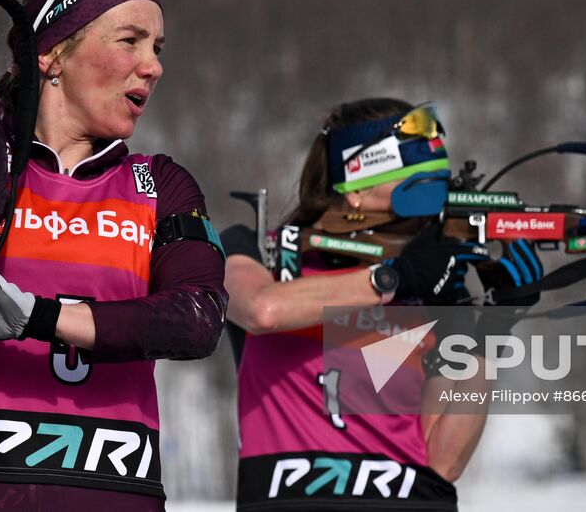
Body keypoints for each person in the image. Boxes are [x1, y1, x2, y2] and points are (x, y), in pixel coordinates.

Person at [0, 0, 227, 510]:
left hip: (114, 488)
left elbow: (198, 321)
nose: (153, 66)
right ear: (51, 54)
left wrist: (40, 318)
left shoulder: (160, 183)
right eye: (130, 40)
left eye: (157, 48)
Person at [221, 98, 543, 511]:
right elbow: (262, 309)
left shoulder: (434, 282)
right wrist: (394, 277)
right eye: (420, 188)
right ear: (357, 188)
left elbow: (443, 459)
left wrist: (494, 328)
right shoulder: (260, 253)